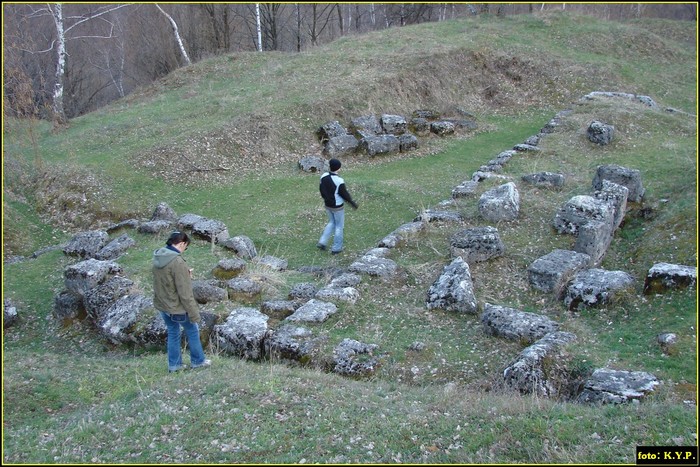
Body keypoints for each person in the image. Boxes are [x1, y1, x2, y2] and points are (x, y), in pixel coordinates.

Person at [153, 231, 211, 373]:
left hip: (162, 305)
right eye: (186, 247)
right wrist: (194, 313)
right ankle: (198, 361)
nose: (185, 250)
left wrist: (185, 274)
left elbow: (166, 280)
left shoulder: (158, 256)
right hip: (176, 307)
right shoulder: (177, 262)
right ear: (181, 244)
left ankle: (174, 365)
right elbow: (185, 293)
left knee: (173, 332)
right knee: (192, 330)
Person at [317, 158, 358, 254]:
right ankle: (336, 248)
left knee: (331, 222)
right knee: (339, 226)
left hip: (327, 204)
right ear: (338, 168)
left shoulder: (323, 176)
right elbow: (344, 194)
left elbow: (321, 190)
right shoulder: (339, 181)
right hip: (337, 206)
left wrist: (325, 198)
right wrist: (352, 203)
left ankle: (322, 242)